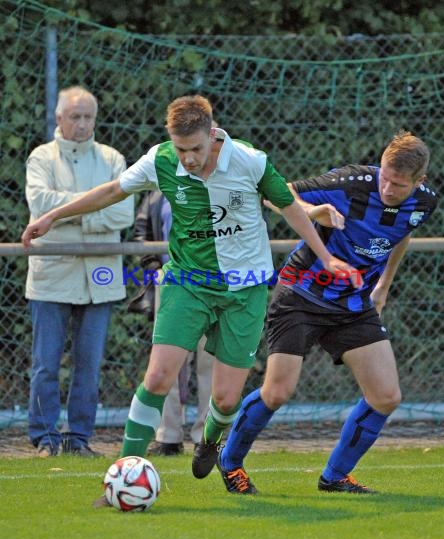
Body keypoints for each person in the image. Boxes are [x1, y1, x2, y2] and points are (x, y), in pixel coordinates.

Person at [21, 95, 358, 493]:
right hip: (187, 282)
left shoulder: (249, 161)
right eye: (181, 149)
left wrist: (326, 257)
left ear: (212, 134)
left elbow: (290, 207)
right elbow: (114, 190)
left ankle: (211, 440)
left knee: (227, 399)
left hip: (244, 288)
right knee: (159, 375)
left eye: (196, 149)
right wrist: (51, 216)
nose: (189, 158)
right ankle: (124, 474)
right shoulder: (162, 159)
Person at [217, 130, 438, 494]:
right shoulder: (351, 182)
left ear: (419, 182)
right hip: (301, 293)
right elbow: (277, 193)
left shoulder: (425, 202)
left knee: (386, 396)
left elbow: (403, 233)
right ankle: (230, 462)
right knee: (277, 393)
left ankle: (335, 476)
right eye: (384, 176)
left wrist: (383, 285)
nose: (386, 188)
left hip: (353, 303)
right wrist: (311, 211)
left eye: (398, 185)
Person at [24, 86, 134, 458]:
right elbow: (39, 204)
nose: (83, 124)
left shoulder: (113, 159)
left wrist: (64, 214)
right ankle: (44, 438)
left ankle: (79, 438)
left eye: (88, 116)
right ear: (59, 118)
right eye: (75, 116)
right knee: (46, 365)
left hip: (100, 279)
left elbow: (124, 213)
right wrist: (95, 209)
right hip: (51, 277)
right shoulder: (41, 158)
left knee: (89, 365)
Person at [128, 189, 213, 455]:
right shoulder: (158, 193)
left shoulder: (225, 185)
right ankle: (169, 437)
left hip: (215, 284)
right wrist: (156, 269)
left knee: (211, 363)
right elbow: (141, 233)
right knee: (167, 366)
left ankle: (207, 437)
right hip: (172, 284)